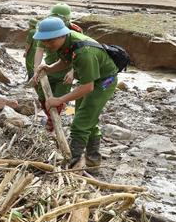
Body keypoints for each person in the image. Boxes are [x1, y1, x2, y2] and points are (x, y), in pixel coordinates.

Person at [33, 17, 119, 168]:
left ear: (62, 35)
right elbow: (66, 62)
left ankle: (71, 164)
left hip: (105, 81)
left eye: (50, 41)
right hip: (90, 78)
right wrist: (49, 68)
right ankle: (93, 160)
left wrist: (59, 100)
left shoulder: (84, 52)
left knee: (80, 124)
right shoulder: (66, 43)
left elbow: (88, 87)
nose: (47, 45)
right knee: (86, 118)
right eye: (44, 41)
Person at [32, 3, 82, 131]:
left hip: (65, 72)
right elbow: (39, 51)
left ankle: (52, 123)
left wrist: (72, 72)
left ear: (67, 20)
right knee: (42, 96)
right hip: (49, 68)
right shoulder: (46, 29)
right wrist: (36, 70)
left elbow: (81, 54)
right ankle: (50, 116)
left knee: (59, 98)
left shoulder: (75, 31)